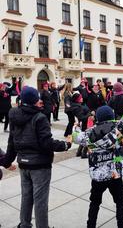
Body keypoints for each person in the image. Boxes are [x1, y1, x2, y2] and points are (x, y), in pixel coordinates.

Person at [72, 84, 123, 228]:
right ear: (111, 116)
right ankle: (122, 225)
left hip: (98, 176)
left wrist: (76, 126)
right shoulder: (120, 128)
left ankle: (91, 225)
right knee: (121, 202)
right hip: (116, 172)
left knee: (94, 203)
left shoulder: (90, 134)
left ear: (98, 118)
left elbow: (75, 137)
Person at [3, 86, 72, 228]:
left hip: (24, 164)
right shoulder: (39, 118)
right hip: (40, 166)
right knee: (40, 201)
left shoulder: (14, 115)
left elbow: (12, 143)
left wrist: (7, 161)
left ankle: (25, 225)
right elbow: (47, 143)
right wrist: (66, 145)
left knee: (26, 197)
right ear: (34, 100)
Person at [71, 92, 90, 158]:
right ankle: (84, 154)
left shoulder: (76, 105)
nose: (82, 98)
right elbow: (82, 118)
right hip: (83, 125)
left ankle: (79, 152)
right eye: (80, 98)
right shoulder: (77, 107)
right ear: (77, 99)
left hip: (81, 125)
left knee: (83, 138)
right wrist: (89, 114)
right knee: (87, 138)